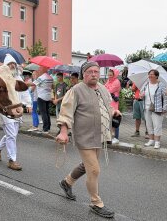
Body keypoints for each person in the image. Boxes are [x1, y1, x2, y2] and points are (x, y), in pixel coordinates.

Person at [56, 61, 120, 219]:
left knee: (87, 165)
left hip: (100, 135)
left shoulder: (103, 89)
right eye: (90, 71)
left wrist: (114, 112)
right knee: (94, 169)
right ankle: (96, 202)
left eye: (96, 71)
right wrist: (64, 132)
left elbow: (107, 106)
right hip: (84, 135)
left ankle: (67, 182)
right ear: (83, 74)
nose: (93, 74)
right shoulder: (76, 90)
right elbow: (65, 112)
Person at [0, 54, 32, 170]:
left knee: (12, 135)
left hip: (17, 109)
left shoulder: (18, 78)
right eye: (10, 64)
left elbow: (25, 92)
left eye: (13, 64)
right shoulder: (1, 80)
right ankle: (12, 160)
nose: (12, 66)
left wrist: (28, 104)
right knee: (12, 135)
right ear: (5, 66)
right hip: (5, 110)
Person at [140, 69, 167, 149]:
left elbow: (165, 97)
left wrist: (164, 108)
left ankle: (157, 142)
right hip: (146, 107)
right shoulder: (146, 84)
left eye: (152, 74)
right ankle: (151, 140)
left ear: (156, 76)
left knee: (157, 125)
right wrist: (141, 95)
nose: (150, 76)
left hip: (157, 108)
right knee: (148, 125)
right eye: (149, 74)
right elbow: (141, 93)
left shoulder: (161, 85)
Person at [31, 65, 54, 132]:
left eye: (40, 68)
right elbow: (52, 86)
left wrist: (23, 84)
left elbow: (33, 84)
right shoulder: (50, 77)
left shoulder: (42, 77)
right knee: (47, 112)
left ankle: (45, 129)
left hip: (41, 97)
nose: (39, 69)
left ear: (44, 69)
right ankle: (48, 127)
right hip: (48, 96)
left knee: (43, 113)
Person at [104, 68, 121, 144]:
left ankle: (116, 138)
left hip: (113, 103)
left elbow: (108, 91)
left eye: (111, 75)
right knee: (109, 120)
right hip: (108, 102)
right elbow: (104, 89)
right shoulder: (109, 81)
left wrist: (106, 88)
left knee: (115, 119)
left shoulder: (116, 82)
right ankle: (109, 136)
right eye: (108, 75)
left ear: (115, 75)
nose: (109, 76)